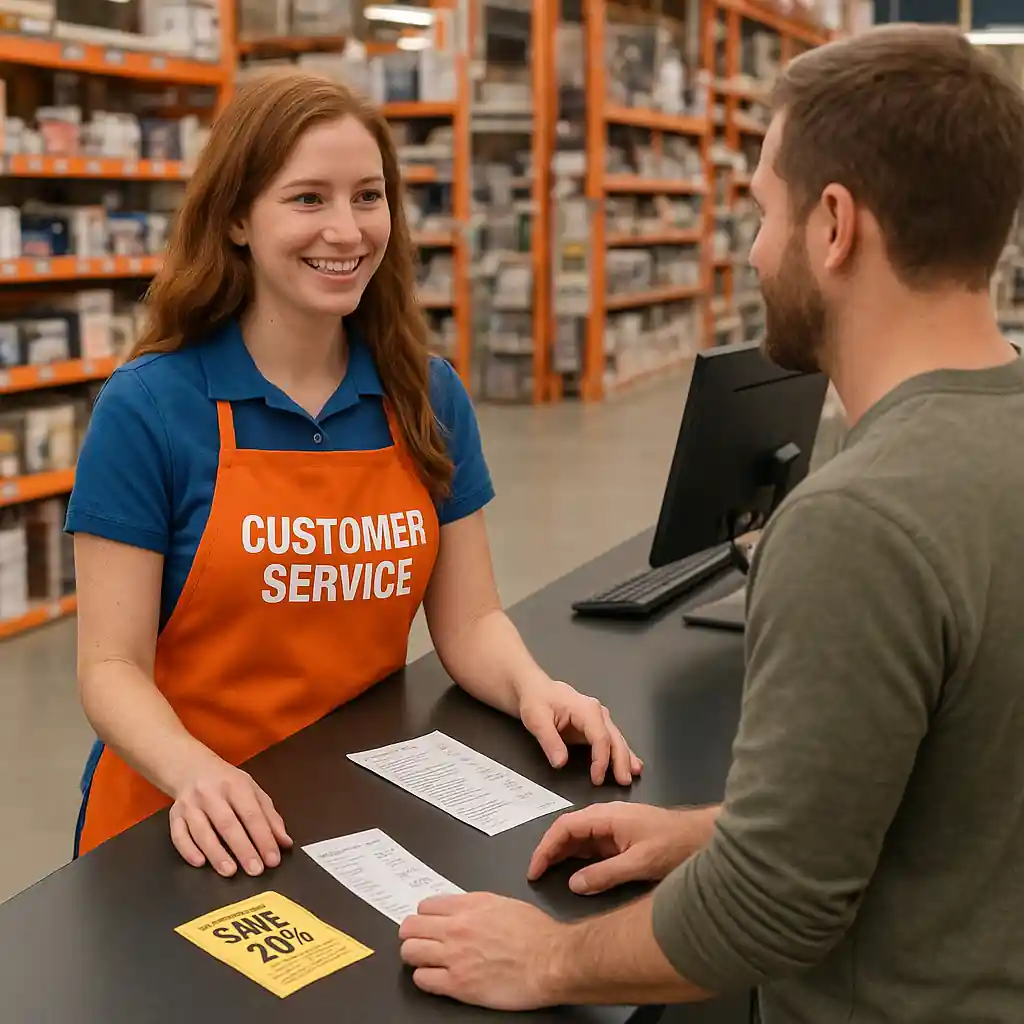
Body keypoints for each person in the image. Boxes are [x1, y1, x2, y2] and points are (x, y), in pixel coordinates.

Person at [398, 24, 1024, 1022]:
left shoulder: (855, 521)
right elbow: (958, 783)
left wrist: (544, 960)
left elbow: (768, 912)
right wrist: (715, 831)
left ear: (834, 226)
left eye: (761, 214)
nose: (751, 249)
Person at [68, 70, 641, 875]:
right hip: (181, 822)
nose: (346, 230)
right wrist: (194, 772)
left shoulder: (425, 392)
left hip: (353, 812)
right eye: (308, 199)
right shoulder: (152, 407)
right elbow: (109, 667)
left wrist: (533, 690)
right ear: (236, 218)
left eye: (367, 197)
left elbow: (471, 622)